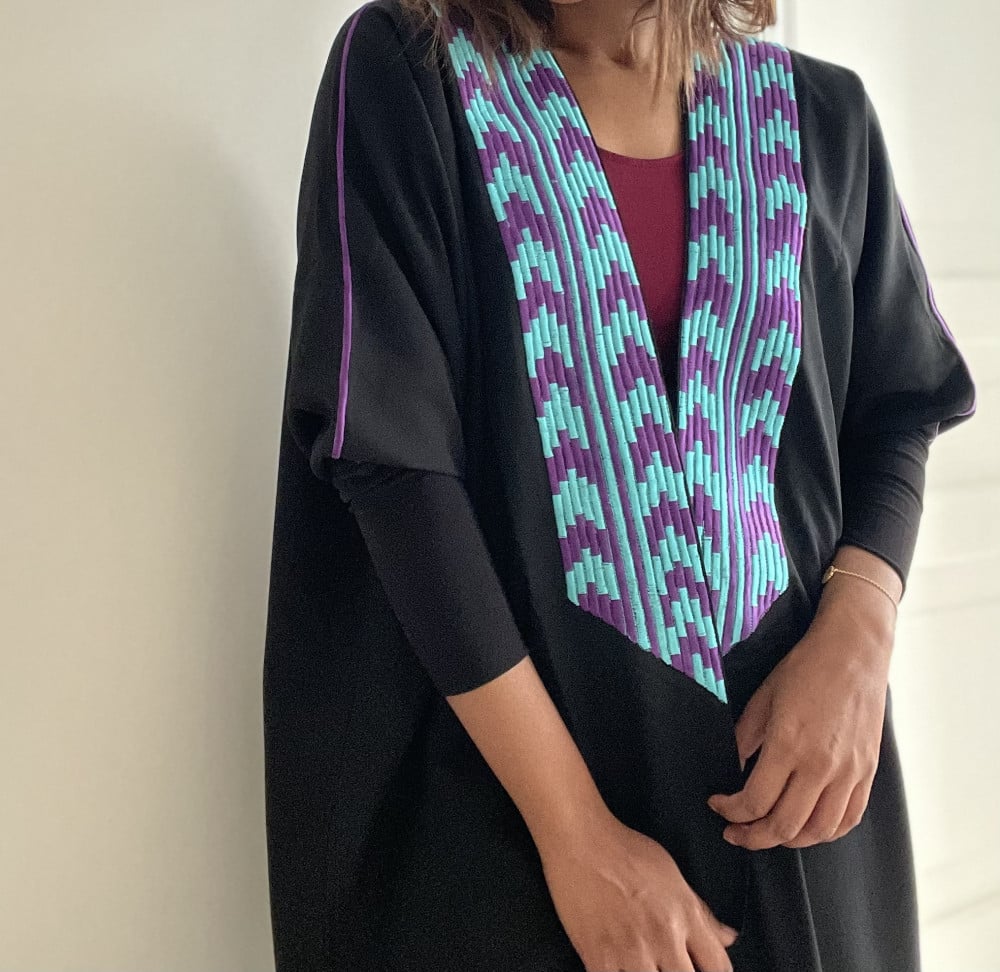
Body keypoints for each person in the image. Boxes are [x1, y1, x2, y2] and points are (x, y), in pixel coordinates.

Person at [261, 0, 978, 967]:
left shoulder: (823, 116)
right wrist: (577, 837)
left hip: (801, 798)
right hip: (513, 816)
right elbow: (394, 463)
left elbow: (897, 407)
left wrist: (862, 632)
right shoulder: (410, 70)